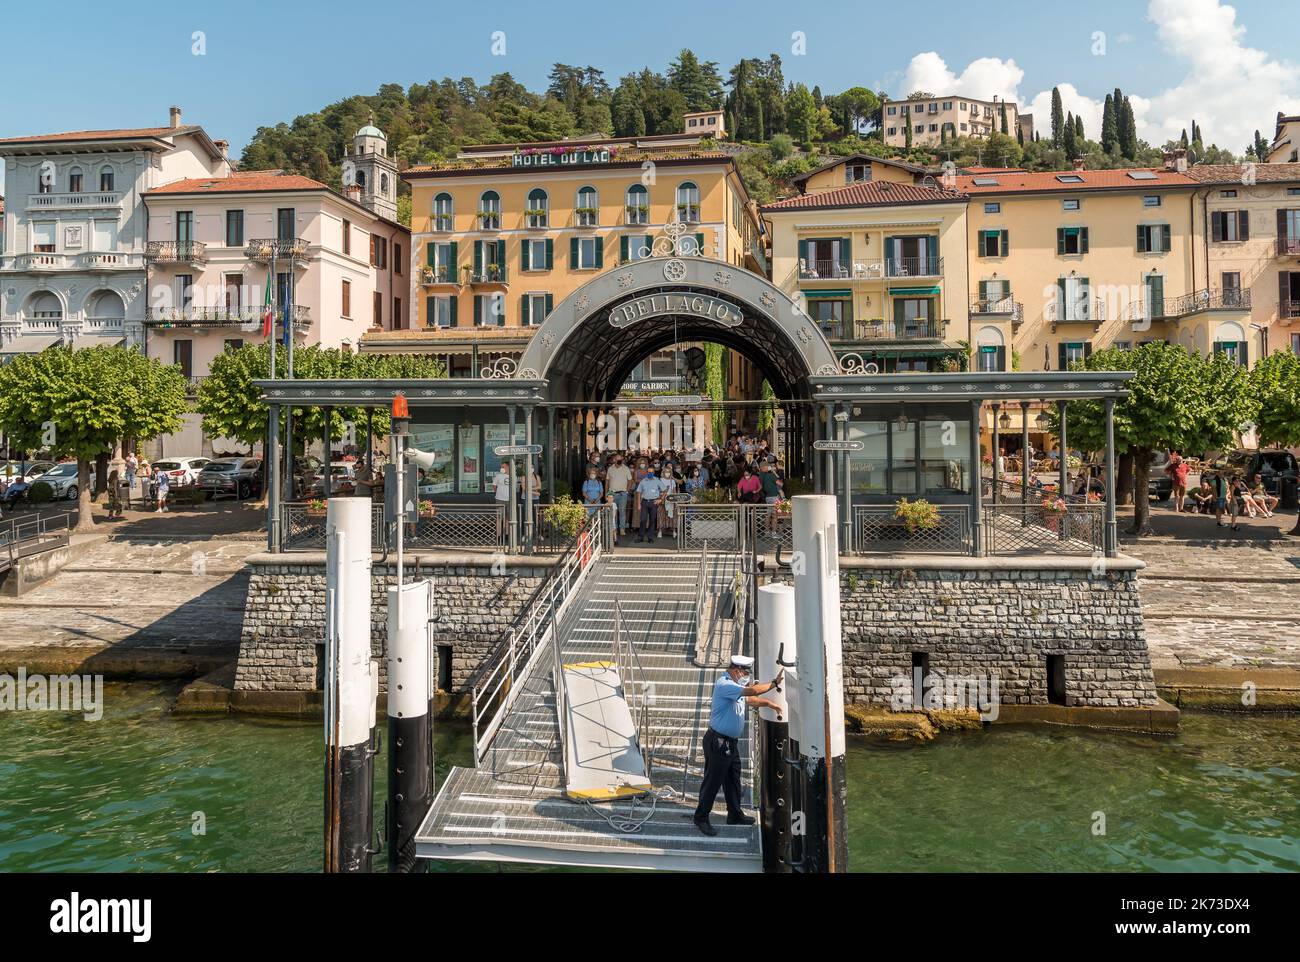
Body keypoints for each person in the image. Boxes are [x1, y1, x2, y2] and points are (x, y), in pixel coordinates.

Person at [693, 655, 783, 837]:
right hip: (718, 742)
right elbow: (752, 692)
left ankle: (734, 814)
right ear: (736, 670)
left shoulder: (735, 689)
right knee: (713, 781)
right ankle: (701, 817)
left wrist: (769, 704)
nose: (747, 676)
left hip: (729, 743)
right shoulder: (725, 685)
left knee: (733, 780)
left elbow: (750, 700)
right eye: (745, 672)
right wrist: (774, 684)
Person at [634, 466, 666, 542]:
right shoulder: (643, 481)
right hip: (644, 502)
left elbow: (665, 490)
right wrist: (638, 504)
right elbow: (638, 493)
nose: (650, 473)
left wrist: (660, 500)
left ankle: (650, 537)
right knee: (643, 520)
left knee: (652, 520)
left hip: (653, 502)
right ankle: (640, 537)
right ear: (646, 472)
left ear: (654, 473)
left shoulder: (657, 481)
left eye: (651, 472)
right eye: (648, 472)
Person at [605, 453, 632, 536]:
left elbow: (630, 481)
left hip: (622, 494)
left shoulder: (626, 468)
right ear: (614, 460)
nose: (620, 461)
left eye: (621, 459)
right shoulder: (610, 469)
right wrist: (606, 493)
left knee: (622, 512)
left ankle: (622, 529)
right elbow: (607, 481)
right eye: (618, 459)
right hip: (612, 494)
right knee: (613, 512)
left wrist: (627, 490)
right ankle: (614, 529)